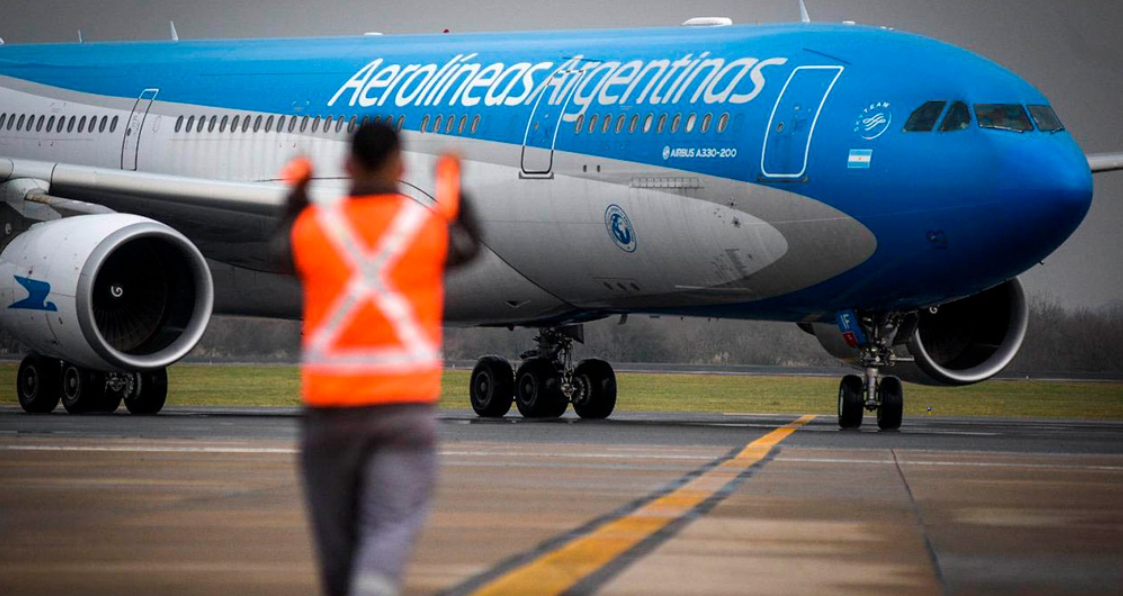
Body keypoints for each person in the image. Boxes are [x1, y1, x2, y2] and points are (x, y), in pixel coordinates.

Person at [273, 121, 481, 596]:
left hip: (329, 416)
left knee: (336, 550)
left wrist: (298, 191)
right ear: (401, 166)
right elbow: (467, 242)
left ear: (346, 165)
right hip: (403, 411)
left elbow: (280, 249)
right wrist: (451, 183)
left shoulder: (317, 227)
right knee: (388, 528)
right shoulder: (422, 227)